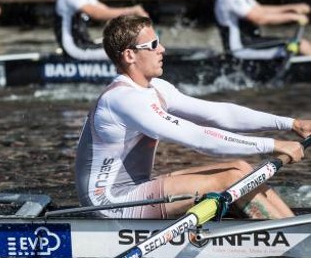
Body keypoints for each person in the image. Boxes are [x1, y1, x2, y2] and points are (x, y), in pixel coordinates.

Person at [75, 14, 310, 220]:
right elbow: (198, 138)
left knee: (241, 168)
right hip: (110, 204)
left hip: (136, 190)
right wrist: (273, 145)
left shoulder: (156, 88)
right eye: (153, 44)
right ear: (129, 55)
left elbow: (220, 114)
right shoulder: (122, 99)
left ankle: (287, 226)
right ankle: (286, 238)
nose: (162, 49)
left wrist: (290, 123)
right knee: (229, 179)